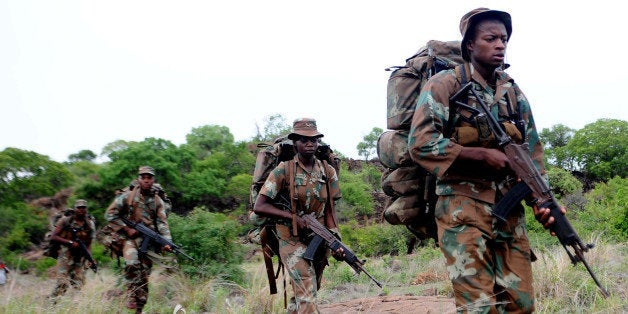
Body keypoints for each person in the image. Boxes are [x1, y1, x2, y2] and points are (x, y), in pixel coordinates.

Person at [408, 8, 562, 313]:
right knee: (479, 307)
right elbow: (421, 144)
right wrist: (477, 154)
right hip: (461, 209)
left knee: (522, 304)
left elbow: (532, 151)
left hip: (510, 213)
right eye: (490, 38)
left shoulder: (513, 92)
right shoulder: (444, 85)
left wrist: (544, 200)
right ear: (469, 45)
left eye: (503, 38)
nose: (500, 45)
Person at [254, 118, 343, 313]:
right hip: (290, 238)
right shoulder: (284, 170)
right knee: (306, 292)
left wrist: (335, 240)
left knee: (306, 292)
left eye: (314, 139)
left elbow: (330, 210)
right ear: (295, 142)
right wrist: (292, 217)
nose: (310, 143)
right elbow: (259, 206)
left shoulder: (327, 171)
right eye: (304, 140)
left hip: (319, 237)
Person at [105, 166, 172, 313]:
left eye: (149, 178)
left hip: (149, 241)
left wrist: (167, 242)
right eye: (144, 177)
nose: (147, 181)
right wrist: (126, 228)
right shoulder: (128, 196)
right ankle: (130, 294)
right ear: (139, 179)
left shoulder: (157, 200)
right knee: (131, 263)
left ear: (153, 180)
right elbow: (110, 214)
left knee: (143, 276)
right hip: (130, 239)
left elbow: (162, 223)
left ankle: (140, 307)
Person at [49, 199, 96, 298]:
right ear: (75, 209)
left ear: (86, 209)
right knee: (62, 282)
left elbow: (89, 243)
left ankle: (75, 306)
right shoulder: (66, 221)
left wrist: (90, 258)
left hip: (80, 255)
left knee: (78, 283)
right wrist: (70, 242)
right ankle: (52, 302)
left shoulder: (89, 224)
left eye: (83, 208)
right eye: (79, 208)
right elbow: (53, 236)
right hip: (66, 253)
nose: (81, 210)